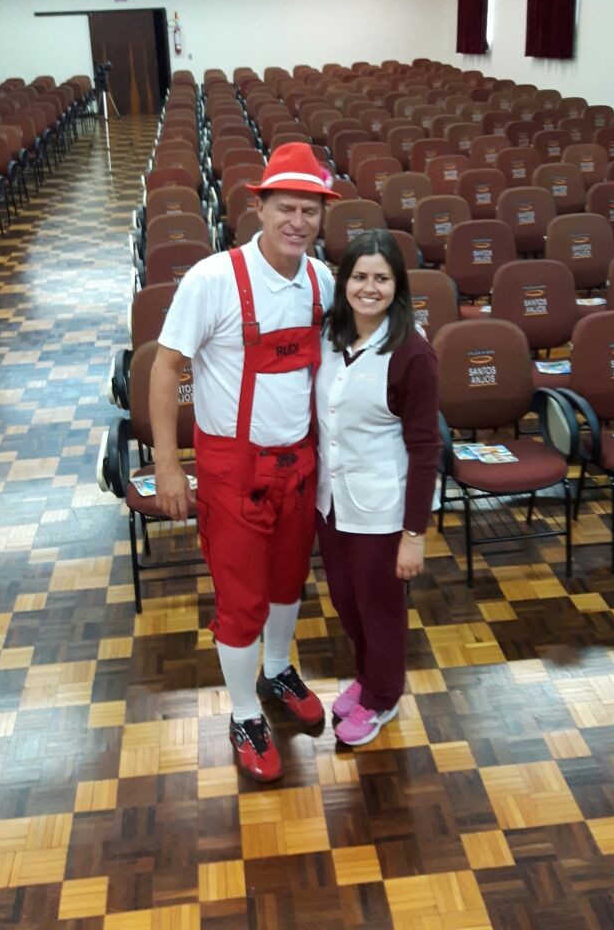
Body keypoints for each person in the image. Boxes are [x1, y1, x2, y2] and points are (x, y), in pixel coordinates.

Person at [150, 141, 338, 783]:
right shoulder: (213, 280)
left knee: (288, 582)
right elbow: (166, 367)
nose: (297, 222)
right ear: (259, 207)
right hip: (233, 471)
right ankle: (243, 712)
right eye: (286, 208)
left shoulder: (322, 281)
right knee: (241, 599)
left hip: (299, 465)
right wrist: (168, 464)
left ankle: (278, 671)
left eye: (310, 210)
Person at [316, 229, 439, 746]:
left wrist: (414, 534)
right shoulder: (329, 336)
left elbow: (426, 449)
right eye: (360, 276)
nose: (369, 288)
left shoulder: (412, 353)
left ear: (397, 286)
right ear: (344, 281)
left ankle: (383, 697)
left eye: (382, 279)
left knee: (379, 608)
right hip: (331, 503)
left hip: (384, 510)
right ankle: (368, 677)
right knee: (346, 601)